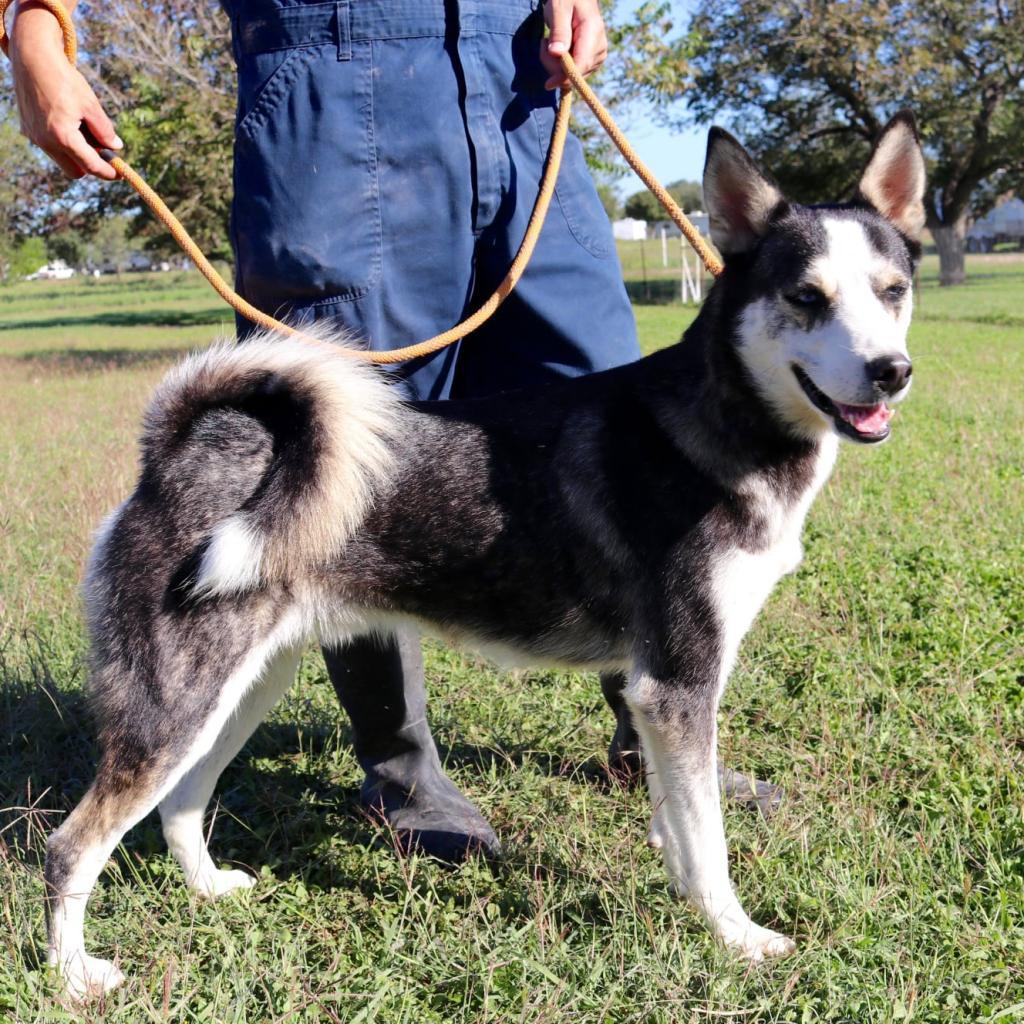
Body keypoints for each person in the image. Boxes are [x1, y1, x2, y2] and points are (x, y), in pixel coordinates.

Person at [10, 0, 776, 863]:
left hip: (521, 76)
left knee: (603, 383)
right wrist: (35, 33)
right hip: (334, 81)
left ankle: (655, 728)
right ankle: (402, 771)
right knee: (346, 460)